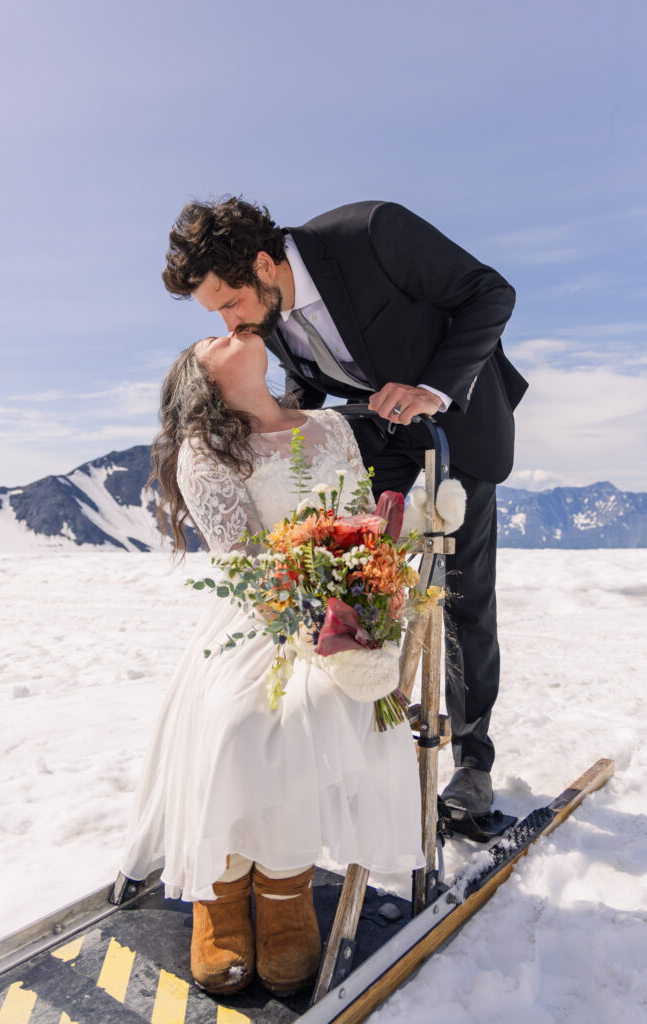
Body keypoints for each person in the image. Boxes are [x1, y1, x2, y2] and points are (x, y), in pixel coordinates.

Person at [161, 197, 528, 820]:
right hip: (376, 427)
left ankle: (472, 759)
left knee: (460, 589)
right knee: (334, 555)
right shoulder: (261, 309)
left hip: (452, 418)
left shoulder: (372, 234)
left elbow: (490, 293)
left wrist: (432, 390)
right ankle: (355, 723)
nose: (229, 324)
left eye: (229, 303)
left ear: (263, 264)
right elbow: (310, 375)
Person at [119, 330, 425, 997]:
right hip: (259, 615)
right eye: (211, 337)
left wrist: (362, 593)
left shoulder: (329, 426)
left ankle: (284, 889)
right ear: (201, 377)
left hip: (340, 612)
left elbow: (357, 517)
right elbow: (241, 560)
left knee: (315, 712)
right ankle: (221, 892)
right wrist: (308, 602)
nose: (230, 329)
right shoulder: (205, 449)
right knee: (240, 721)